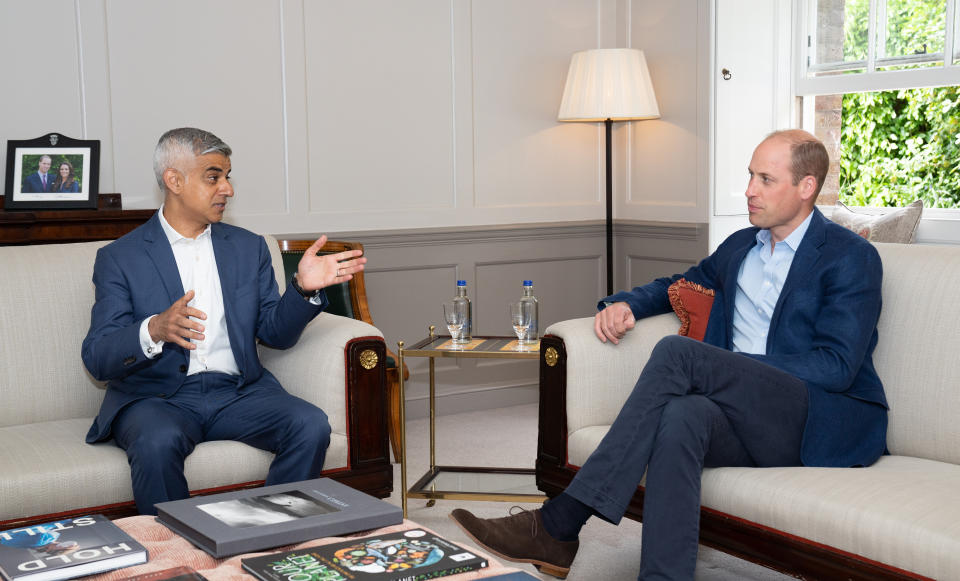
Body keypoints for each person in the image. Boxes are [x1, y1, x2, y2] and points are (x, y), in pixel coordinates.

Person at [450, 130, 888, 580]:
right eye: (749, 176)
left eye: (765, 179)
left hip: (812, 417)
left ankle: (561, 523)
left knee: (681, 355)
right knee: (683, 417)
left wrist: (729, 370)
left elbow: (835, 367)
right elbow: (679, 285)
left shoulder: (849, 257)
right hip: (741, 412)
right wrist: (626, 304)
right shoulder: (742, 246)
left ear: (806, 186)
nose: (749, 190)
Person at [81, 127, 366, 516]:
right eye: (213, 177)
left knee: (310, 424)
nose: (227, 189)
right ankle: (179, 556)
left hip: (239, 392)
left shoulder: (248, 247)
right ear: (174, 180)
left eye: (227, 177)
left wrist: (301, 289)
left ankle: (271, 536)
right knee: (156, 442)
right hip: (158, 398)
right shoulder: (120, 258)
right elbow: (98, 357)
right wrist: (154, 329)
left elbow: (274, 335)